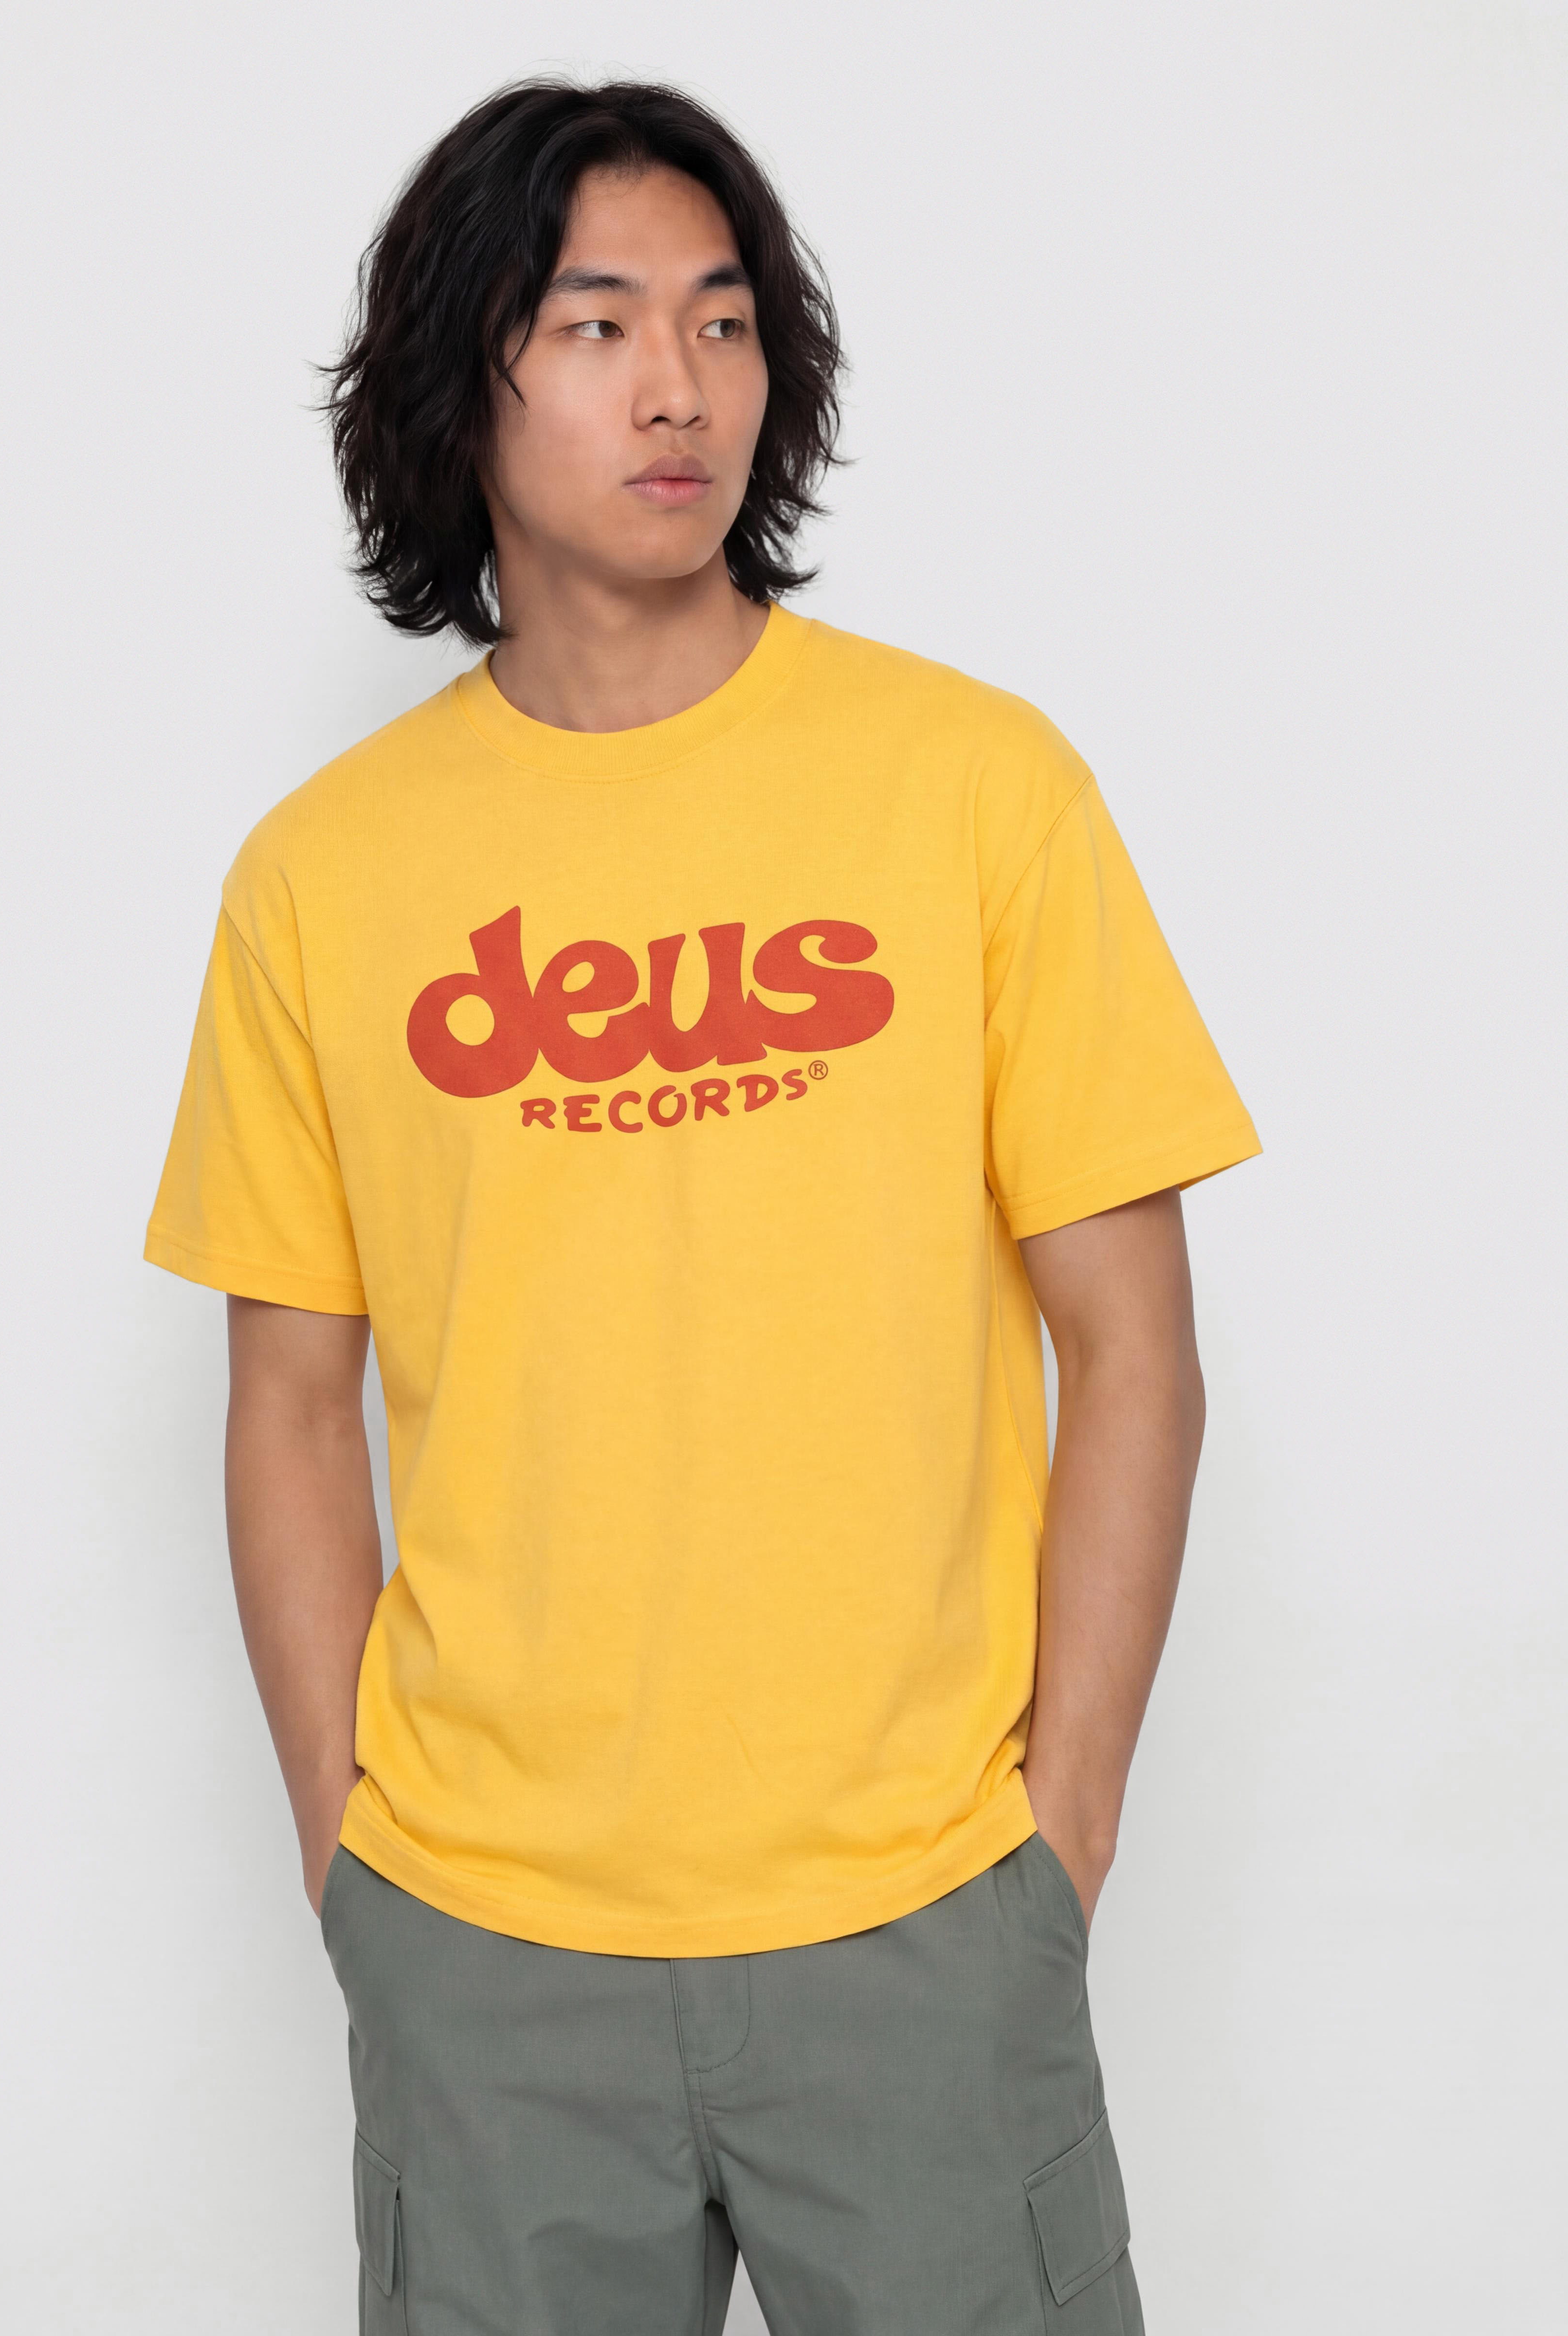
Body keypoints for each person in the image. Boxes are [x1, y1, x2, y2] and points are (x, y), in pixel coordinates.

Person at [145, 75, 1259, 2336]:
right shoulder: (322, 878)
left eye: (723, 321)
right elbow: (286, 1404)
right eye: (595, 324)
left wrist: (1053, 1844)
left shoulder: (973, 789)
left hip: (922, 1923)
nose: (678, 386)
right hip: (485, 1955)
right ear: (460, 384)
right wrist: (356, 1866)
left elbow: (1130, 1346)